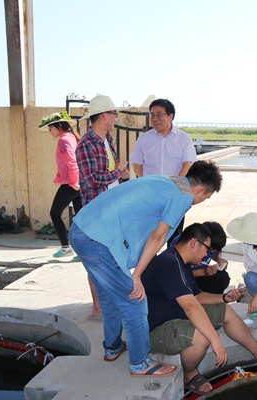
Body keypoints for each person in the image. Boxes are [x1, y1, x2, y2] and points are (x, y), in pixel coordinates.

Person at [68, 160, 223, 378]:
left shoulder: (169, 181)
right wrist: (137, 276)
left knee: (110, 298)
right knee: (135, 302)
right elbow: (157, 237)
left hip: (81, 230)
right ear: (200, 190)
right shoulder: (184, 196)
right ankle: (140, 363)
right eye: (204, 198)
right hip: (98, 241)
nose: (198, 202)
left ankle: (113, 347)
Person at [142, 223, 257, 396]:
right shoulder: (169, 264)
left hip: (175, 315)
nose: (207, 254)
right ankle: (189, 374)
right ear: (194, 243)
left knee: (224, 310)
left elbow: (197, 297)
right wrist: (215, 340)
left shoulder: (180, 261)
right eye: (207, 249)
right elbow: (190, 307)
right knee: (202, 337)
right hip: (156, 330)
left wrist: (224, 298)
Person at [76, 95, 130, 317]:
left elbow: (111, 173)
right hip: (97, 212)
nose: (116, 118)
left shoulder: (108, 140)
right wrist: (118, 172)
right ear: (104, 116)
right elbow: (91, 180)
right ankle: (98, 306)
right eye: (114, 114)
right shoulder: (85, 144)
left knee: (113, 257)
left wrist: (122, 174)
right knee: (96, 259)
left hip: (113, 208)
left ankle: (109, 303)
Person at [131, 98, 198, 245]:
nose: (155, 118)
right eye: (152, 115)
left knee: (174, 236)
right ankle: (148, 260)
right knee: (147, 234)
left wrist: (175, 185)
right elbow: (136, 165)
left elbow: (187, 164)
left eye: (159, 114)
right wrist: (148, 183)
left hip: (175, 193)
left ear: (170, 116)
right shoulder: (144, 139)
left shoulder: (183, 138)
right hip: (150, 194)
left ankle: (172, 259)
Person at [38, 111, 82, 258]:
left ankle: (65, 247)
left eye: (51, 128)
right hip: (77, 183)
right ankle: (82, 251)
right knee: (80, 218)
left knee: (55, 214)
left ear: (59, 126)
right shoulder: (72, 137)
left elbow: (72, 163)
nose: (50, 131)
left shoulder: (64, 140)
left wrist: (74, 182)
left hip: (71, 184)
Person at [169, 221, 231, 294]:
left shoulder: (212, 244)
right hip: (183, 279)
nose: (206, 254)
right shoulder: (182, 242)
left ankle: (208, 299)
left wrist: (218, 259)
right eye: (208, 250)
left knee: (222, 277)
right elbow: (177, 274)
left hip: (201, 275)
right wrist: (203, 272)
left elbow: (217, 252)